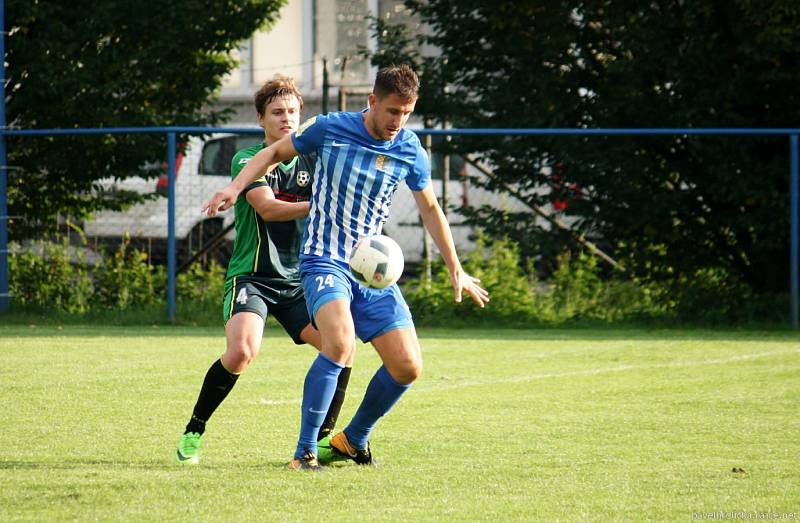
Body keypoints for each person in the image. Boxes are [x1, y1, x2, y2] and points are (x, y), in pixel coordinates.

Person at [202, 64, 489, 470]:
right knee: (339, 346)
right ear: (372, 101)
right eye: (392, 111)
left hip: (371, 270)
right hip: (324, 260)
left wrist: (455, 267)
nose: (398, 121)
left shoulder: (409, 147)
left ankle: (353, 439)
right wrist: (233, 188)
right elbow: (271, 153)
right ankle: (304, 451)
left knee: (408, 366)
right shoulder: (330, 128)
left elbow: (430, 208)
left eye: (406, 113)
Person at [176, 75, 353, 464]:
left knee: (341, 349)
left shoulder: (314, 161)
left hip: (297, 281)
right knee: (241, 352)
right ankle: (195, 427)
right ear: (261, 119)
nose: (286, 119)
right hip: (252, 278)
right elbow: (269, 208)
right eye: (277, 113)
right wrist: (319, 206)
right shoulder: (248, 159)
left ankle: (323, 439)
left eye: (292, 111)